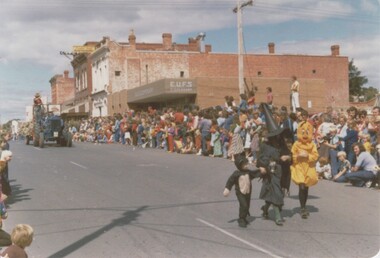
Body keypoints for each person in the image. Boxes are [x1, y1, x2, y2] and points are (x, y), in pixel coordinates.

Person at [257, 103, 291, 226]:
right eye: (275, 136)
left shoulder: (282, 145)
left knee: (276, 193)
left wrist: (287, 157)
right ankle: (277, 216)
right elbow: (259, 160)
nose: (278, 137)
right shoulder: (265, 146)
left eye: (278, 135)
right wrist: (263, 166)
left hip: (282, 172)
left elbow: (290, 156)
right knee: (276, 192)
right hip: (270, 172)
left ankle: (265, 209)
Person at [223, 153, 266, 228]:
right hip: (240, 192)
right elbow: (230, 181)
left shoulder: (248, 172)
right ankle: (241, 219)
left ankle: (244, 217)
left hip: (248, 192)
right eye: (244, 164)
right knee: (244, 205)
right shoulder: (236, 174)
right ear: (239, 166)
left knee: (247, 205)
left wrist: (260, 171)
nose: (246, 165)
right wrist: (227, 189)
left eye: (246, 164)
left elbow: (255, 173)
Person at [291, 119, 319, 219]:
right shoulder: (296, 144)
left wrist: (307, 155)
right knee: (301, 186)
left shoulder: (312, 145)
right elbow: (292, 156)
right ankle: (302, 208)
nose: (305, 135)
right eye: (303, 132)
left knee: (306, 187)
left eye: (307, 132)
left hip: (308, 166)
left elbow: (315, 156)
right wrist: (298, 156)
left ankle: (304, 205)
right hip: (299, 167)